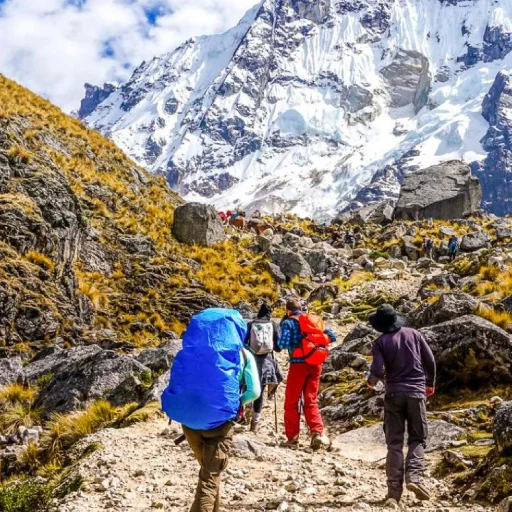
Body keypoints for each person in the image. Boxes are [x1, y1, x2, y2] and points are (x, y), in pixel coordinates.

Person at [162, 309, 260, 512]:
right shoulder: (242, 354)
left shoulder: (190, 350)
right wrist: (238, 403)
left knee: (209, 472)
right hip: (220, 423)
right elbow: (255, 391)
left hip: (188, 422)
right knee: (210, 477)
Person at [367, 304, 436, 509]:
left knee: (394, 443)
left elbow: (377, 371)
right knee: (418, 438)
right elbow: (430, 360)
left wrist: (370, 382)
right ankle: (414, 478)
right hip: (416, 392)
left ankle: (393, 494)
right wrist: (430, 384)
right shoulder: (414, 334)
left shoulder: (379, 342)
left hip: (393, 394)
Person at [278, 298, 336, 450]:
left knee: (292, 401)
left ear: (287, 310)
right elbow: (332, 336)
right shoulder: (313, 320)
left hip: (298, 365)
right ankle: (316, 432)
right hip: (316, 364)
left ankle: (292, 438)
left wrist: (291, 342)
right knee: (311, 399)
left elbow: (282, 343)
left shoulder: (288, 322)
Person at [244, 303, 284, 432]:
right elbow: (278, 348)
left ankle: (247, 407)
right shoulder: (273, 325)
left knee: (248, 386)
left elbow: (243, 343)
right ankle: (255, 422)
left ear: (258, 313)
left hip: (251, 361)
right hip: (267, 362)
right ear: (269, 314)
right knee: (260, 391)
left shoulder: (251, 324)